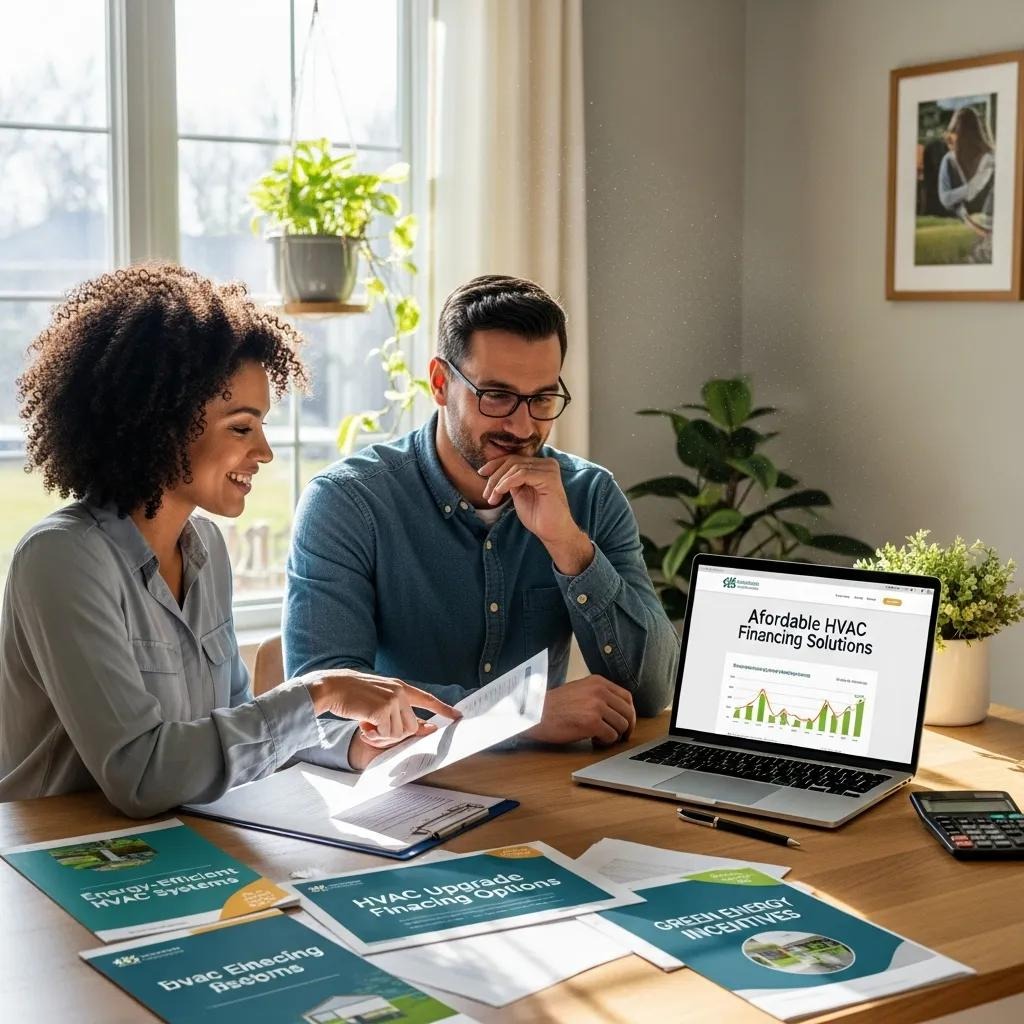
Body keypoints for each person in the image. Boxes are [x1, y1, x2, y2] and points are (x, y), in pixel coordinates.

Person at [0, 263, 458, 816]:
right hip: (63, 863)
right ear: (160, 425)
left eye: (262, 425)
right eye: (241, 427)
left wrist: (357, 747)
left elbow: (235, 730)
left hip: (181, 849)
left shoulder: (204, 550)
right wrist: (317, 692)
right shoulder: (61, 560)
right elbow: (142, 776)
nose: (264, 452)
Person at [284, 274, 680, 770]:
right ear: (439, 383)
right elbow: (319, 705)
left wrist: (569, 546)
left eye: (541, 398)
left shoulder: (590, 495)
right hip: (404, 793)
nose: (521, 426)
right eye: (495, 395)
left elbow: (652, 692)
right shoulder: (347, 503)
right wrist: (517, 714)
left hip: (544, 795)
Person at [937, 105, 995, 230]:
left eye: (953, 137)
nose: (949, 143)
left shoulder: (989, 160)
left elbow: (972, 193)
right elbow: (945, 198)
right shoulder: (948, 160)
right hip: (962, 221)